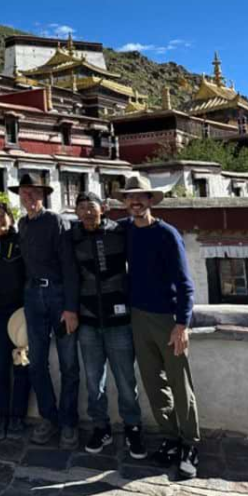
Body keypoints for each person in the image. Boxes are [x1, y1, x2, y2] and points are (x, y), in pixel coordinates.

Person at [120, 175, 200, 479]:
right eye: (130, 197)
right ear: (125, 202)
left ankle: (190, 444)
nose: (135, 201)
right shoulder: (125, 230)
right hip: (138, 317)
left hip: (168, 318)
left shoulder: (167, 234)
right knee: (153, 383)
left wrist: (182, 324)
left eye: (141, 196)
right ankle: (169, 436)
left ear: (151, 200)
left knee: (181, 384)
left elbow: (185, 283)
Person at [71, 192, 146, 459]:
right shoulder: (72, 237)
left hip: (119, 319)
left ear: (102, 209)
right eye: (81, 209)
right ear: (76, 212)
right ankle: (100, 426)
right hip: (88, 319)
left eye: (91, 207)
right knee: (94, 381)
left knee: (126, 379)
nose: (87, 213)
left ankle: (133, 427)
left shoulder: (120, 231)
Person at [13, 172, 81, 450]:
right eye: (25, 193)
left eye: (34, 193)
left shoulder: (55, 221)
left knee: (68, 364)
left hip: (57, 296)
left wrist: (71, 307)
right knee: (36, 362)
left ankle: (68, 423)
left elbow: (69, 265)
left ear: (43, 196)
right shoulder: (22, 224)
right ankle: (48, 417)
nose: (29, 197)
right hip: (33, 297)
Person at [0, 202, 32, 441]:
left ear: (10, 219)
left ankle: (18, 417)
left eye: (3, 215)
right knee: (0, 367)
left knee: (22, 365)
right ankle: (3, 418)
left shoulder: (21, 243)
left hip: (21, 312)